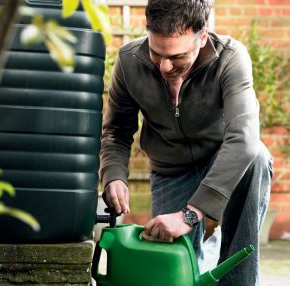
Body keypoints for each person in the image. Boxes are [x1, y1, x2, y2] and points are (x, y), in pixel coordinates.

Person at [99, 0, 273, 285]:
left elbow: (243, 139)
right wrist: (113, 176)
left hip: (222, 163)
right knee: (171, 270)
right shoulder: (130, 61)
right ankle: (206, 237)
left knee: (256, 157)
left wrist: (190, 215)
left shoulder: (230, 58)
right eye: (157, 54)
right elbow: (117, 131)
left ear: (202, 36)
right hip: (171, 170)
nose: (165, 66)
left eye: (177, 57)